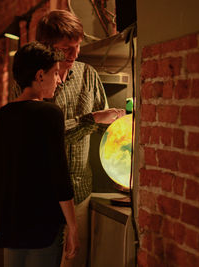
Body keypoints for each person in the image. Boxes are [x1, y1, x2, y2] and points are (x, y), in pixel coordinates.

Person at [36, 10, 126, 267]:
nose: (74, 55)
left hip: (81, 191)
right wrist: (93, 119)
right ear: (46, 47)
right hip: (44, 193)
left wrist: (122, 133)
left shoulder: (88, 75)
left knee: (73, 263)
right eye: (66, 49)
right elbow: (43, 135)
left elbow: (104, 130)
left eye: (77, 46)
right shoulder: (33, 79)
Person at [0, 41, 79, 267]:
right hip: (43, 224)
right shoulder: (49, 114)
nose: (59, 80)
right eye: (55, 74)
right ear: (40, 76)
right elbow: (59, 174)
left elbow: (0, 174)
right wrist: (73, 225)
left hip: (10, 223)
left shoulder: (2, 116)